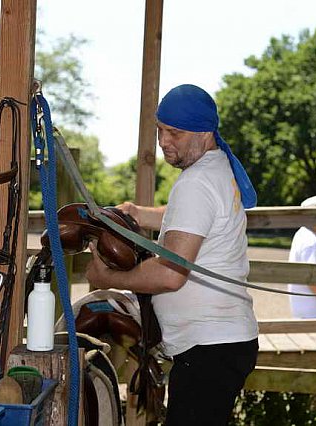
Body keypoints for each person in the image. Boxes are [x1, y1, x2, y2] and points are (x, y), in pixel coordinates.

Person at [85, 84, 259, 425]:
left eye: (175, 133)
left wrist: (108, 278)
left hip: (209, 349)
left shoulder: (196, 183)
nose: (164, 141)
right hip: (220, 345)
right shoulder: (215, 168)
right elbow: (188, 218)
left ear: (204, 132)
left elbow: (170, 274)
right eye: (161, 131)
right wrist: (137, 212)